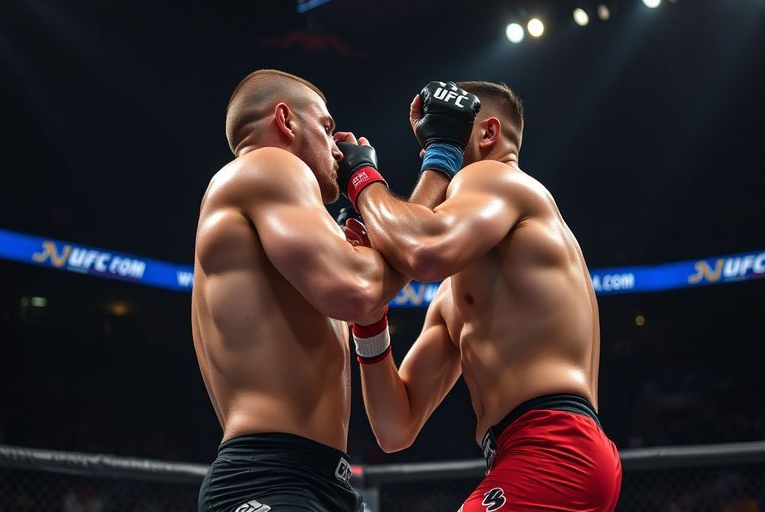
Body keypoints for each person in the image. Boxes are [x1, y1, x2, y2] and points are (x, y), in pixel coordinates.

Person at [191, 70, 478, 512]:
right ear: (285, 121)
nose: (337, 146)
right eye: (326, 128)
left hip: (318, 480)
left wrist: (376, 241)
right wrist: (431, 164)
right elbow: (360, 290)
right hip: (271, 480)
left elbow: (369, 288)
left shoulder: (275, 220)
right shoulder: (268, 165)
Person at [338, 81, 622, 511]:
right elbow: (395, 427)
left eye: (444, 138)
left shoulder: (498, 178)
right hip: (535, 454)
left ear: (487, 133)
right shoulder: (454, 293)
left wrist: (363, 179)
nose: (431, 156)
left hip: (553, 448)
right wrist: (370, 318)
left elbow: (422, 250)